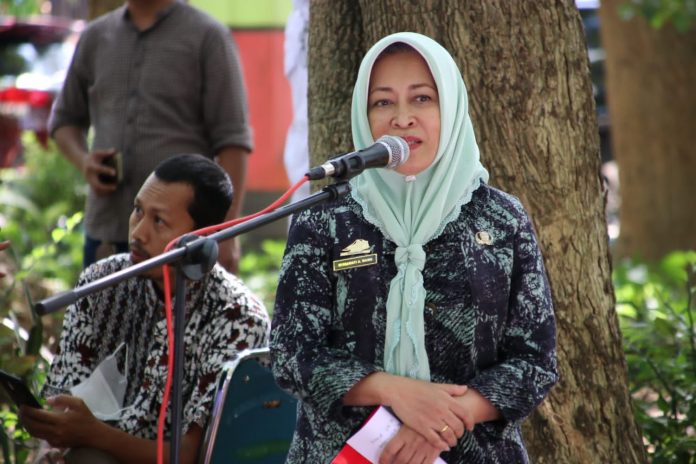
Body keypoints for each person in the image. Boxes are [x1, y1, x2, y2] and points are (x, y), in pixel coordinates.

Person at [270, 32, 558, 463]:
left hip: (474, 451)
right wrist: (396, 392)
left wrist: (442, 421)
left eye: (422, 98)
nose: (402, 118)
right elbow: (293, 354)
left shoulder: (500, 218)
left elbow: (534, 361)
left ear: (452, 108)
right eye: (383, 102)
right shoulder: (325, 218)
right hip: (344, 453)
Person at [20, 154, 270, 464]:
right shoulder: (101, 282)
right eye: (138, 211)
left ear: (202, 238)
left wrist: (92, 434)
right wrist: (52, 421)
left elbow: (191, 455)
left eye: (159, 221)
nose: (138, 232)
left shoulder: (237, 317)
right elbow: (66, 393)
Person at [49, 0, 252, 272]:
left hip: (180, 240)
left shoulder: (208, 36)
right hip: (107, 230)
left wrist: (226, 233)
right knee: (106, 314)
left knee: (176, 315)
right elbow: (64, 121)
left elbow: (233, 141)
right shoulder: (95, 37)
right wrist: (84, 161)